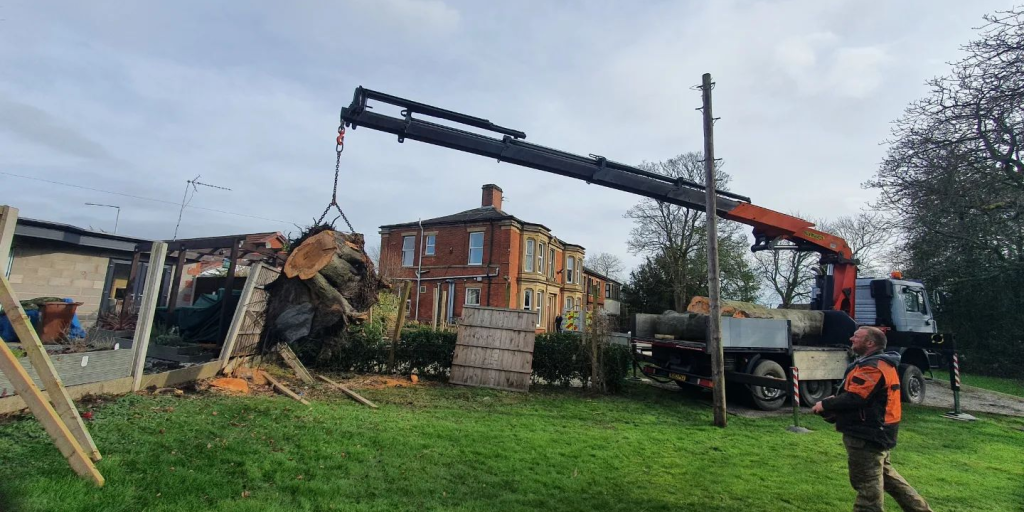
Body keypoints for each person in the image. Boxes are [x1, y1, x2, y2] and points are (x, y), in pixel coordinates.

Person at [811, 326, 933, 512]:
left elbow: (857, 397)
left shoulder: (872, 367)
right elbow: (860, 394)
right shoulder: (878, 363)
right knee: (890, 480)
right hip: (878, 431)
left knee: (867, 488)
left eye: (856, 337)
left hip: (867, 434)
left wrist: (826, 405)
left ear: (870, 343)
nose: (851, 339)